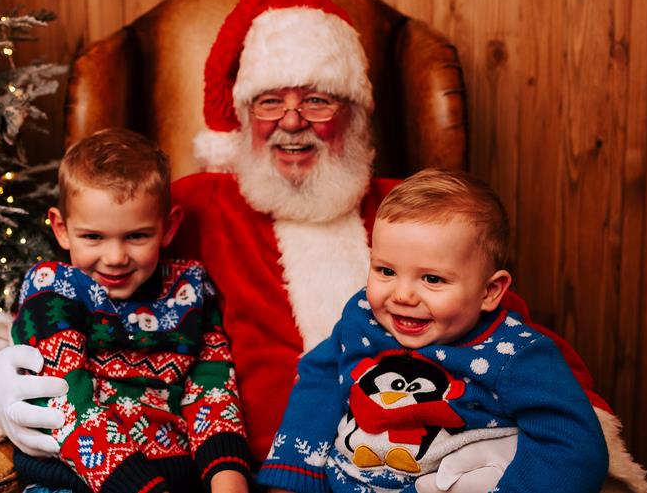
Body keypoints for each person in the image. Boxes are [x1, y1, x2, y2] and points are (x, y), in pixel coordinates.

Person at [0, 0, 647, 492]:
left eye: (318, 100)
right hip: (223, 468)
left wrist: (594, 451)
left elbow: (508, 332)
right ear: (241, 117)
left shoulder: (409, 214)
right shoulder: (190, 207)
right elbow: (87, 289)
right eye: (270, 101)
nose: (291, 121)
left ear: (356, 114)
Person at [258, 168, 607, 493]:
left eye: (432, 279)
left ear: (490, 292)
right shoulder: (362, 317)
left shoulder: (513, 354)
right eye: (385, 271)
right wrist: (293, 473)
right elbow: (321, 378)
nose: (403, 295)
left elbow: (572, 442)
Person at [11, 128, 251, 493]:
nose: (115, 257)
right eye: (93, 237)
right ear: (61, 229)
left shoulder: (191, 289)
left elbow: (213, 391)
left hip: (182, 476)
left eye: (137, 236)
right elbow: (65, 407)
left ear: (168, 227)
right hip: (74, 479)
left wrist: (228, 482)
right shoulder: (52, 289)